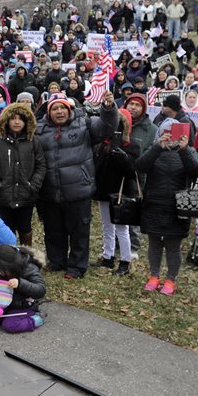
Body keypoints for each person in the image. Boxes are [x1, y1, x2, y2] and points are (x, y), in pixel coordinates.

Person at [35, 95, 119, 279]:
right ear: (49, 112)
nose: (59, 112)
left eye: (63, 108)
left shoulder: (85, 124)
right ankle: (56, 261)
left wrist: (108, 108)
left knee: (79, 231)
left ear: (70, 109)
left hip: (78, 189)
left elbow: (107, 128)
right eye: (55, 108)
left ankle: (76, 266)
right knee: (53, 230)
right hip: (50, 190)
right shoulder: (39, 129)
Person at [135, 118, 198, 295]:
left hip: (178, 207)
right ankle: (154, 276)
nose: (170, 136)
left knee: (173, 245)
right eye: (166, 131)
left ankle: (170, 279)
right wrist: (157, 147)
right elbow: (140, 166)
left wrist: (184, 150)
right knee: (154, 243)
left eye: (173, 132)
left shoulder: (188, 151)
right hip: (154, 205)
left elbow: (197, 172)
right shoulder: (155, 149)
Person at [0, 101, 45, 249]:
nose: (17, 122)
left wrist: (33, 186)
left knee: (25, 229)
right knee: (5, 230)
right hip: (3, 196)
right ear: (6, 120)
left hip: (26, 195)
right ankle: (6, 260)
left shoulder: (33, 140)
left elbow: (41, 165)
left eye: (21, 118)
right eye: (13, 118)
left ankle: (26, 258)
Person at [92, 108, 140, 275]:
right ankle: (108, 256)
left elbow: (133, 171)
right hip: (104, 190)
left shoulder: (132, 145)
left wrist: (122, 156)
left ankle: (125, 260)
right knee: (107, 226)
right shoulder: (101, 144)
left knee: (121, 227)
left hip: (121, 192)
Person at [0, 244, 46, 332]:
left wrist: (20, 283)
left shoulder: (28, 268)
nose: (1, 273)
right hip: (3, 301)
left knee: (9, 325)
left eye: (3, 271)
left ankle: (37, 319)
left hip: (23, 305)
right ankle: (1, 316)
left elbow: (41, 290)